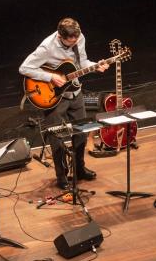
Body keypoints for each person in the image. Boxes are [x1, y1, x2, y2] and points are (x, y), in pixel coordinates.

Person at [19, 17, 109, 189]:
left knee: (82, 133)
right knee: (57, 136)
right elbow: (24, 68)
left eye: (76, 39)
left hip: (75, 92)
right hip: (54, 97)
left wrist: (95, 66)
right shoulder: (47, 47)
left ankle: (80, 169)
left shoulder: (79, 37)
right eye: (69, 42)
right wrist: (51, 76)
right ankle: (62, 176)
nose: (74, 42)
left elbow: (81, 63)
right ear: (60, 37)